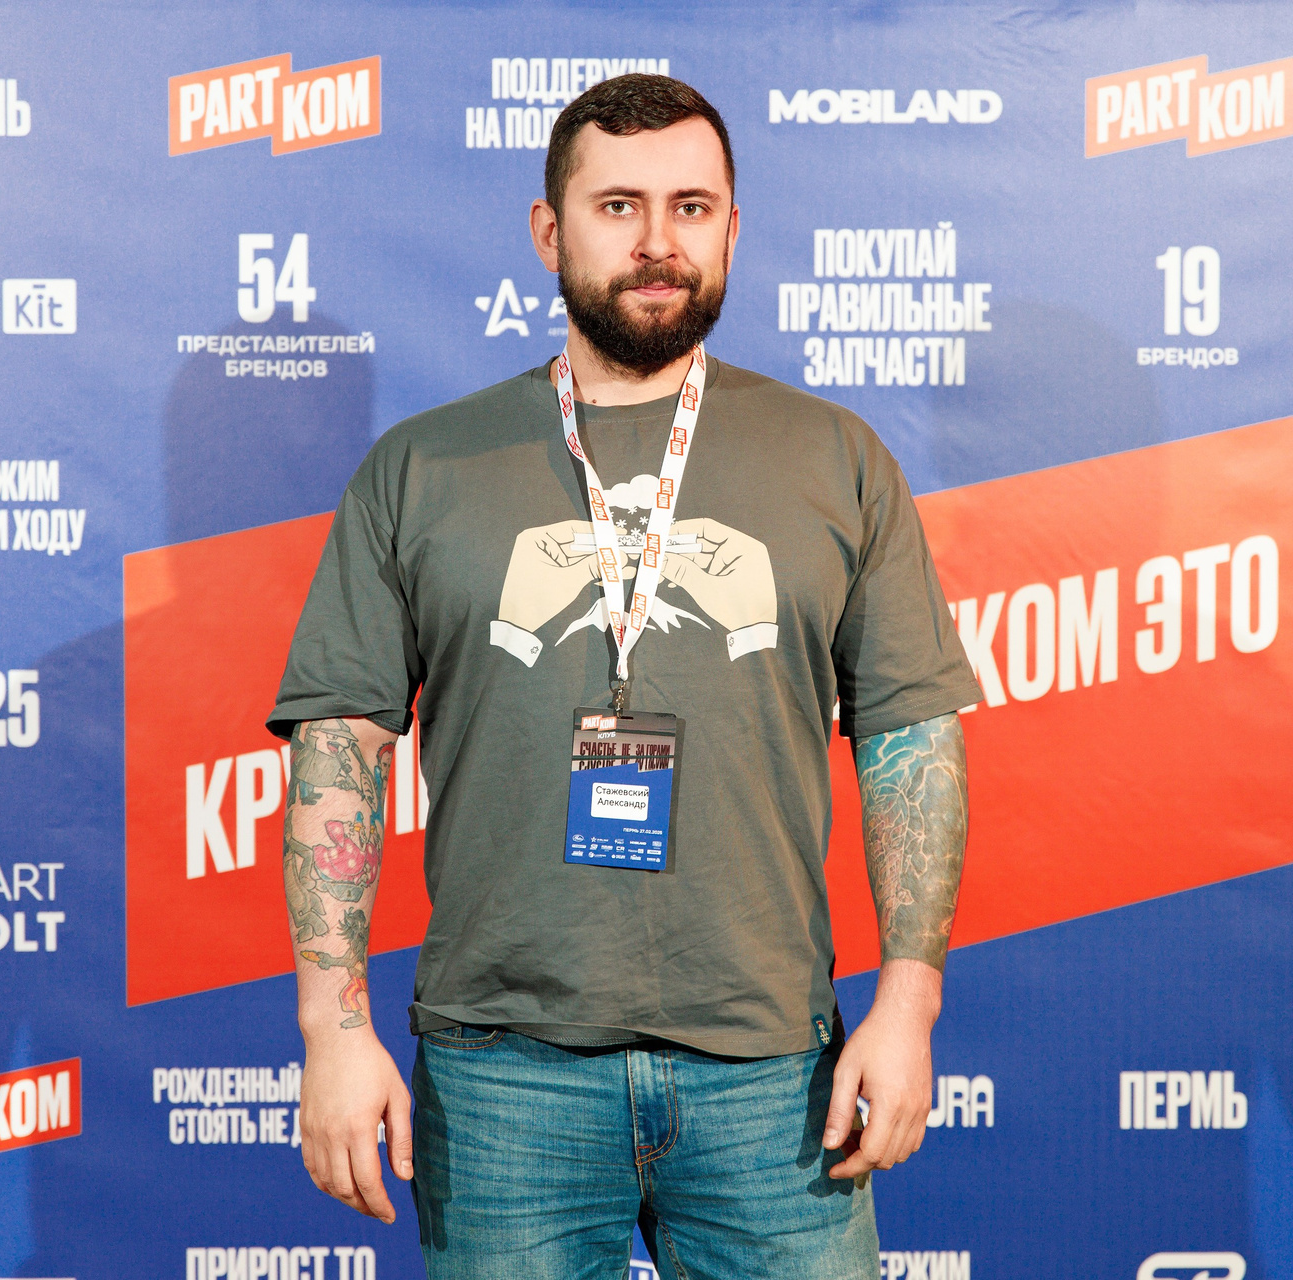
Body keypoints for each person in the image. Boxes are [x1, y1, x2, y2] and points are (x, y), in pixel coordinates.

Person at [268, 73, 980, 1279]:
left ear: (732, 229)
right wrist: (331, 1028)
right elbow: (342, 748)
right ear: (549, 231)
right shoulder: (422, 467)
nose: (658, 242)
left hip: (772, 1069)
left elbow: (912, 743)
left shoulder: (837, 458)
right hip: (502, 1073)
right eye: (618, 207)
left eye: (691, 207)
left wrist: (909, 1007)